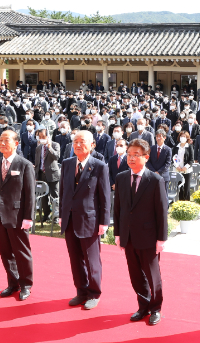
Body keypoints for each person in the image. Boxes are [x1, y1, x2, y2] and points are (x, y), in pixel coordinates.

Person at [113, 138, 169, 326]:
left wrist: (161, 238)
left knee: (153, 275)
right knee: (135, 274)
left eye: (136, 155)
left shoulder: (155, 180)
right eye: (129, 154)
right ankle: (143, 305)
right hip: (128, 236)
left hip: (149, 237)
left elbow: (161, 211)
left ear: (146, 157)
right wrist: (118, 233)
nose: (131, 158)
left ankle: (156, 308)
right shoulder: (121, 178)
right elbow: (118, 208)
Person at [58, 130, 110, 310]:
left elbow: (104, 196)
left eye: (82, 142)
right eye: (75, 142)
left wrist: (104, 221)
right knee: (75, 258)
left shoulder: (99, 166)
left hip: (90, 220)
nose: (78, 145)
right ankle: (81, 291)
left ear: (92, 144)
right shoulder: (67, 163)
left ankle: (94, 293)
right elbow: (63, 192)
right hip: (70, 219)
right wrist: (61, 214)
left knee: (91, 259)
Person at [0, 129, 36, 301]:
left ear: (16, 143)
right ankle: (13, 282)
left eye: (6, 140)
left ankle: (26, 284)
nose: (2, 143)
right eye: (0, 140)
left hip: (17, 216)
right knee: (6, 252)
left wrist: (28, 217)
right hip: (0, 216)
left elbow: (30, 194)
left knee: (21, 252)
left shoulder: (24, 164)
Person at [35, 126, 61, 224]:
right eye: (39, 136)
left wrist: (49, 147)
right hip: (41, 174)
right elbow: (37, 162)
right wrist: (36, 175)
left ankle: (56, 216)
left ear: (48, 136)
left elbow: (56, 156)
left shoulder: (55, 145)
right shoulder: (38, 148)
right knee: (43, 196)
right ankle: (46, 215)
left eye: (43, 136)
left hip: (52, 173)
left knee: (55, 195)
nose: (41, 138)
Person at [172, 131, 194, 200]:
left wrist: (185, 167)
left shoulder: (189, 146)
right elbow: (173, 158)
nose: (183, 138)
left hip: (187, 171)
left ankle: (187, 203)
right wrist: (177, 166)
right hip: (178, 170)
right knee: (180, 187)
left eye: (184, 136)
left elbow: (191, 159)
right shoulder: (176, 146)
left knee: (186, 188)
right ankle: (181, 202)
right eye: (181, 136)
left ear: (187, 138)